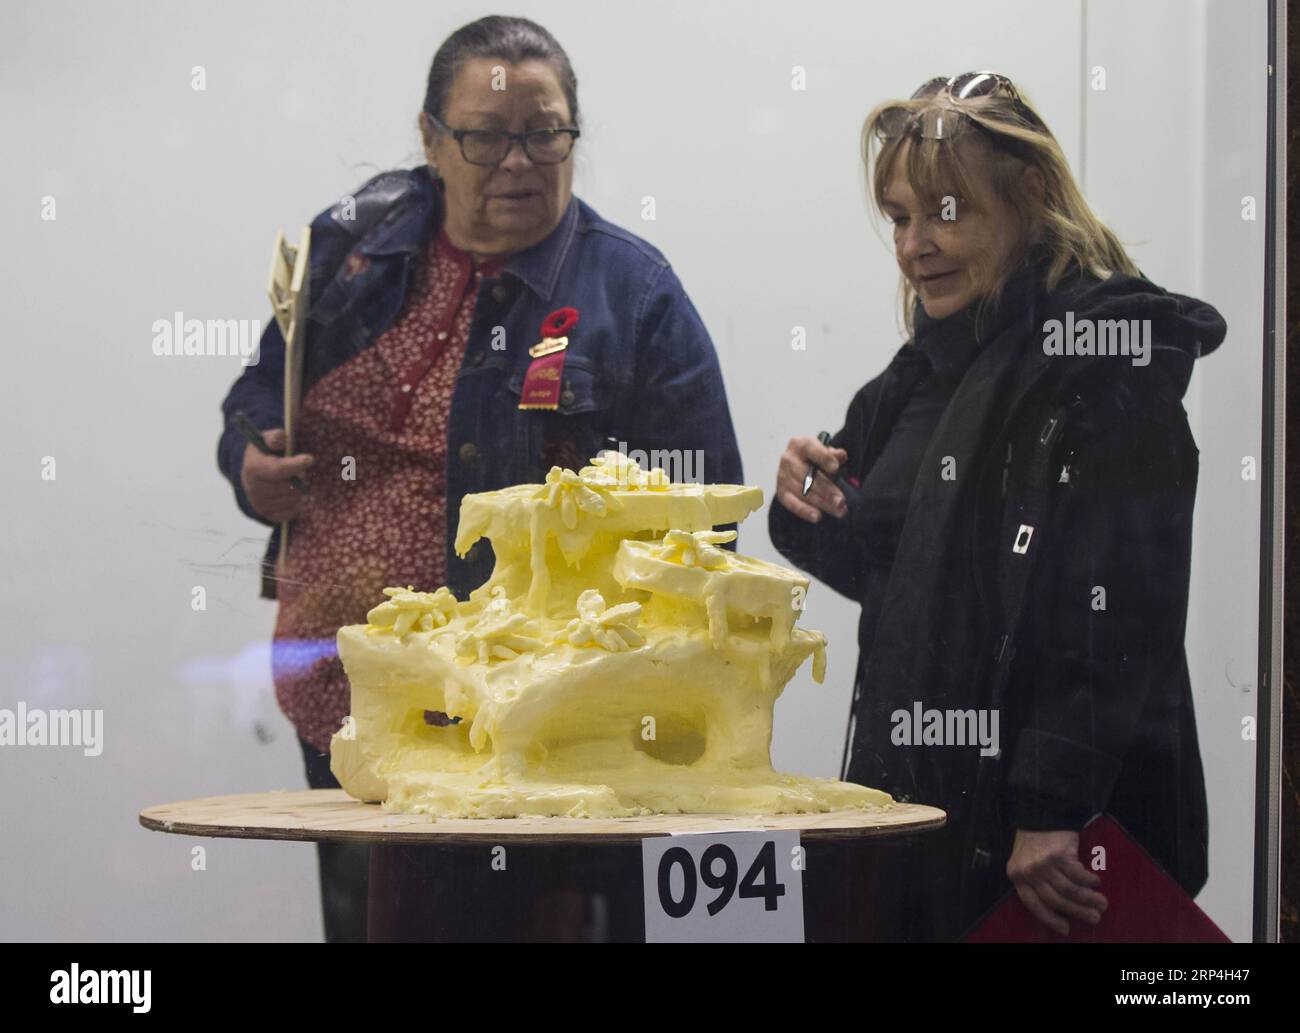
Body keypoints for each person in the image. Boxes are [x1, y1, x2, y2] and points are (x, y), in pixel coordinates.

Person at [216, 15, 742, 942]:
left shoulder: (635, 292)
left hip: (526, 723)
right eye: (487, 136)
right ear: (429, 137)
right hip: (343, 692)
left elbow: (709, 522)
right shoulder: (348, 250)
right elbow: (262, 383)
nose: (519, 162)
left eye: (545, 134)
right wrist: (249, 456)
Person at [769, 72, 1224, 941]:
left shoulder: (1107, 356)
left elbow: (1123, 605)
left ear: (1030, 200)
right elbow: (893, 570)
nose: (914, 244)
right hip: (928, 820)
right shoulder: (927, 368)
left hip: (1046, 847)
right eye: (900, 218)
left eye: (947, 211)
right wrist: (803, 500)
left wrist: (1052, 803)